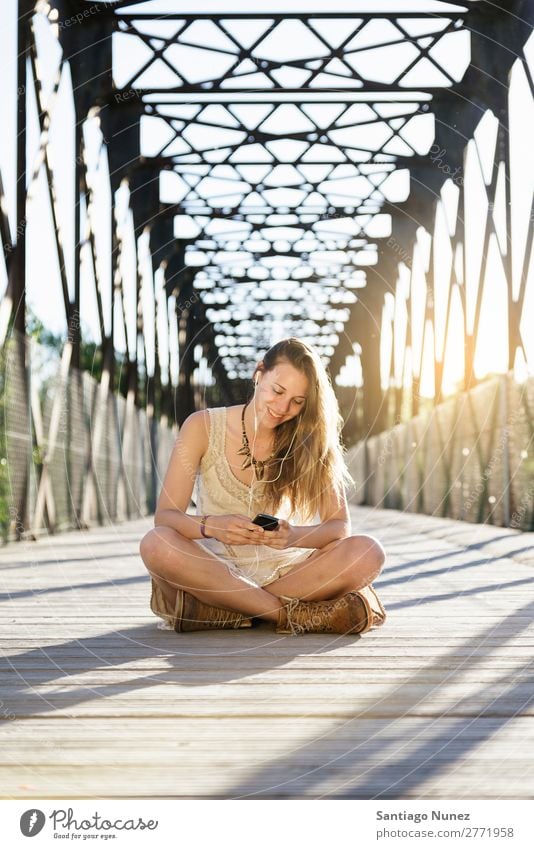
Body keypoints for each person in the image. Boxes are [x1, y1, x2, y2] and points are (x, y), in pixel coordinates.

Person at [139, 337, 386, 635]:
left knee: (368, 552)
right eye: (277, 391)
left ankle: (228, 609)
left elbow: (338, 527)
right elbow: (166, 517)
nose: (283, 408)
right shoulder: (201, 426)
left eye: (298, 401)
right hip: (216, 569)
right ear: (259, 373)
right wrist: (212, 526)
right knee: (157, 543)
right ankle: (288, 614)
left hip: (286, 571)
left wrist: (294, 536)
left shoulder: (310, 439)